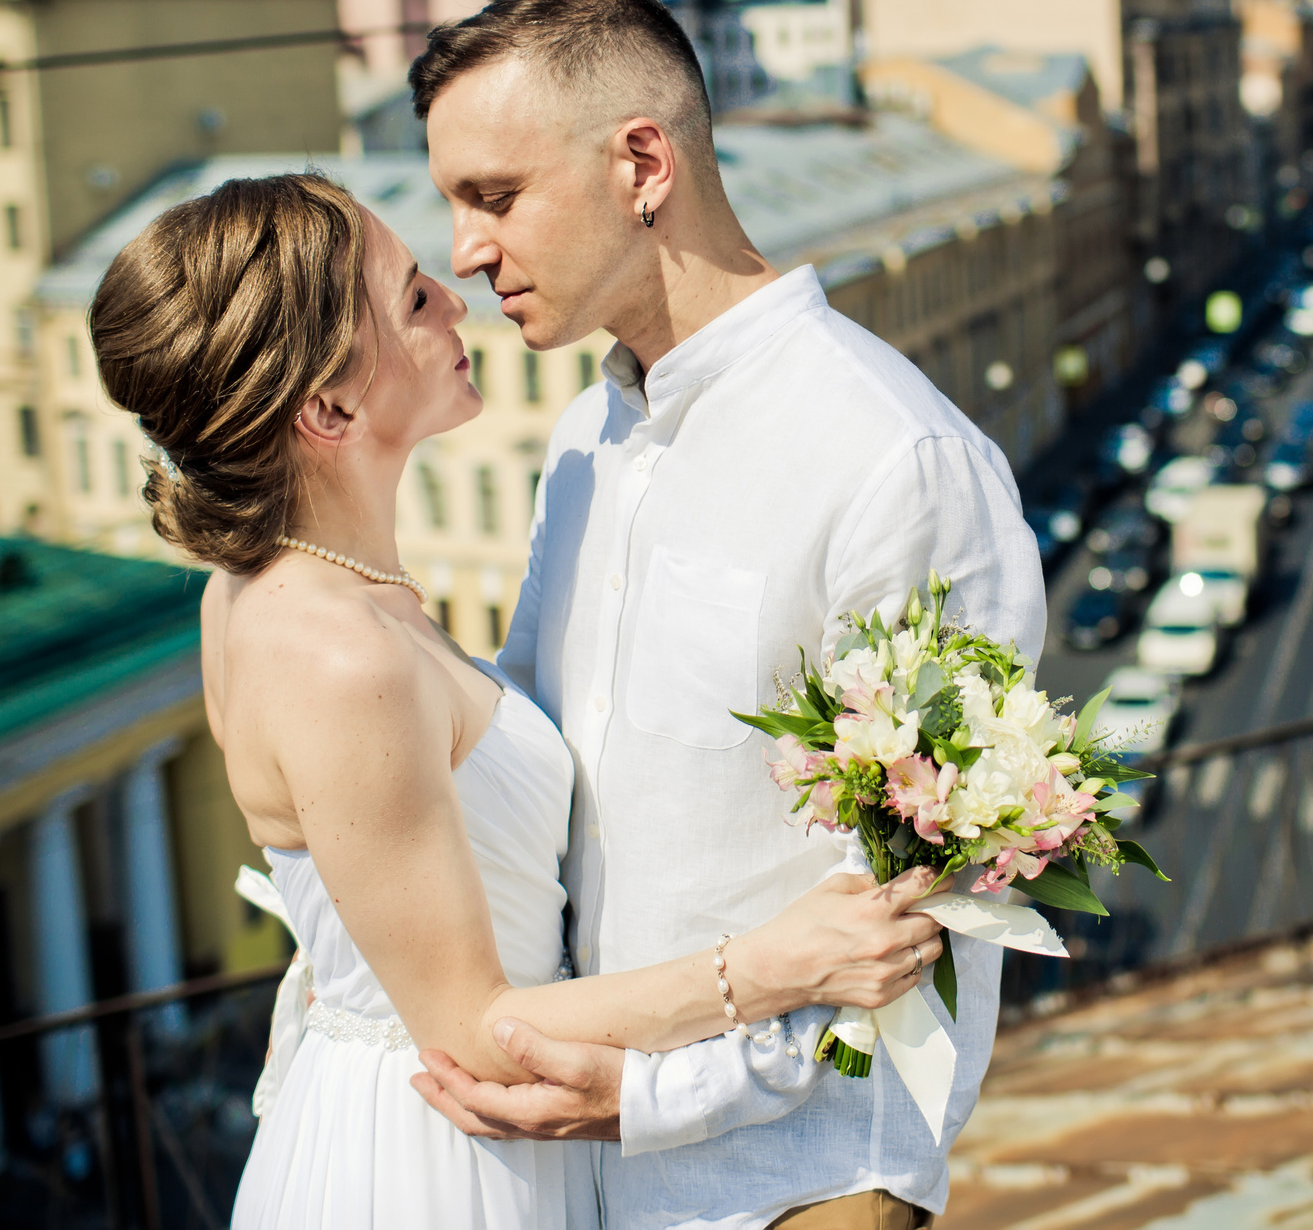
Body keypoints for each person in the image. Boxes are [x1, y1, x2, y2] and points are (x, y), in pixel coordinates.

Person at [88, 171, 951, 1230]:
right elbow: (473, 1028)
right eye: (413, 298)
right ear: (327, 408)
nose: (456, 299)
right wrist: (777, 966)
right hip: (434, 1168)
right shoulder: (334, 652)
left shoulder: (271, 588)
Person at [404, 0, 1045, 1230]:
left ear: (642, 164)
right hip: (579, 1174)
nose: (466, 253)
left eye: (495, 198)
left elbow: (935, 901)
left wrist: (646, 1098)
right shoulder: (583, 440)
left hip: (794, 1187)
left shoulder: (892, 455)